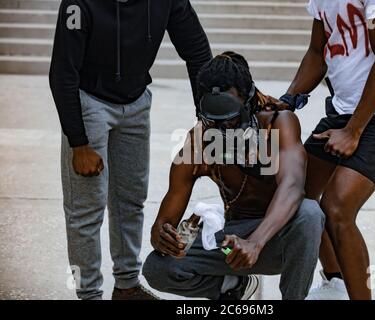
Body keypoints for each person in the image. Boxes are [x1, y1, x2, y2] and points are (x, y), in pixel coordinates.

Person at [49, 0, 212, 300]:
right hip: (90, 102)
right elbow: (62, 72)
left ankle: (126, 285)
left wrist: (207, 120)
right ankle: (88, 294)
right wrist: (78, 142)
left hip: (136, 103)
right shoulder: (78, 3)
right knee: (85, 210)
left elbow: (197, 50)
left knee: (131, 200)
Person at [142, 52, 325, 300]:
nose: (221, 130)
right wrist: (163, 237)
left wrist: (256, 242)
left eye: (229, 120)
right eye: (212, 120)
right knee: (157, 268)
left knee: (310, 213)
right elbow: (163, 223)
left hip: (277, 240)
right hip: (231, 243)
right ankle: (234, 287)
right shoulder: (198, 142)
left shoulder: (277, 123)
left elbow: (293, 188)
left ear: (248, 101)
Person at [279, 0, 375, 299]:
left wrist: (354, 131)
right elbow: (318, 53)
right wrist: (288, 99)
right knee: (296, 195)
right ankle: (335, 284)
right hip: (343, 112)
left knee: (337, 208)